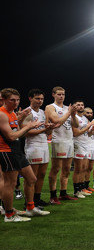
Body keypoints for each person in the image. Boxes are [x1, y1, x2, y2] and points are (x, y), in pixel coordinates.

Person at [0, 88, 48, 222]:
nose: (15, 103)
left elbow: (18, 131)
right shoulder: (2, 114)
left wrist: (20, 120)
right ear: (3, 99)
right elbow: (10, 136)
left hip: (16, 150)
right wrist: (29, 127)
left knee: (31, 178)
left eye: (17, 100)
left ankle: (30, 207)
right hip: (6, 151)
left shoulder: (13, 113)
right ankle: (9, 214)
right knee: (10, 183)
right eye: (12, 100)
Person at [45, 86, 79, 204]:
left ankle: (63, 193)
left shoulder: (66, 108)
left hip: (69, 140)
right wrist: (69, 112)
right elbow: (57, 122)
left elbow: (76, 124)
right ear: (53, 94)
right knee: (56, 169)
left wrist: (73, 114)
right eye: (59, 94)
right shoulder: (50, 107)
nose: (61, 96)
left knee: (66, 169)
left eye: (63, 94)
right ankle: (53, 196)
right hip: (58, 141)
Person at [23, 89, 56, 207]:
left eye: (41, 99)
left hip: (43, 145)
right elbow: (25, 132)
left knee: (42, 174)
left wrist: (50, 127)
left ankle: (37, 199)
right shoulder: (27, 112)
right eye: (37, 98)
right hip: (33, 146)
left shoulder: (43, 112)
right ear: (30, 98)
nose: (40, 101)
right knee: (32, 177)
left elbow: (48, 132)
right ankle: (29, 202)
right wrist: (44, 130)